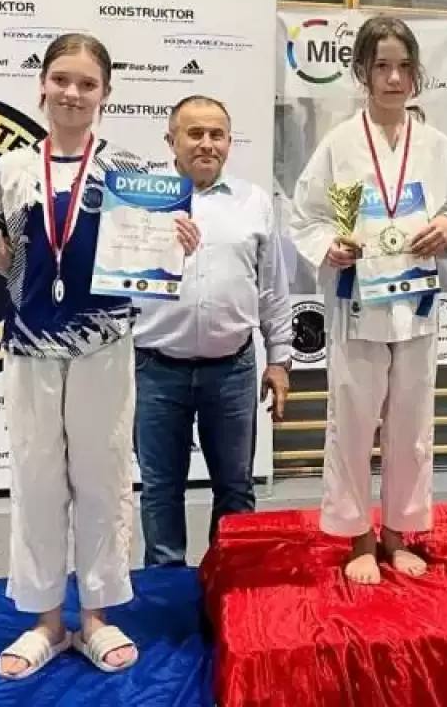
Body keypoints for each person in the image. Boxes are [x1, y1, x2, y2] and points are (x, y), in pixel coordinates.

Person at [0, 33, 199, 678]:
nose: (72, 93)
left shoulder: (128, 173)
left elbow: (148, 258)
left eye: (87, 84)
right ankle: (45, 622)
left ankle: (95, 616)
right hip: (30, 342)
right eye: (62, 79)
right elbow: (10, 264)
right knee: (36, 480)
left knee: (104, 478)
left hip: (104, 344)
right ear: (42, 84)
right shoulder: (9, 170)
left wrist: (175, 242)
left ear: (105, 94)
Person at [288, 15, 447, 585]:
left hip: (415, 304)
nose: (394, 78)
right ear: (362, 71)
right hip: (358, 302)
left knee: (412, 426)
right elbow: (307, 216)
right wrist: (330, 246)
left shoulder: (435, 145)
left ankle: (398, 533)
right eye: (382, 66)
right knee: (352, 422)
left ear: (416, 74)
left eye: (404, 67)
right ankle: (358, 537)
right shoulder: (339, 143)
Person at [133, 94, 293, 566]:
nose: (207, 144)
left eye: (216, 134)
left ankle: (231, 583)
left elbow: (272, 288)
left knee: (235, 488)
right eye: (195, 133)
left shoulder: (253, 201)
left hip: (233, 370)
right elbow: (114, 284)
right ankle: (166, 586)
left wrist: (280, 360)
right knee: (160, 490)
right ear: (171, 141)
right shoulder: (140, 200)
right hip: (156, 370)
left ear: (228, 142)